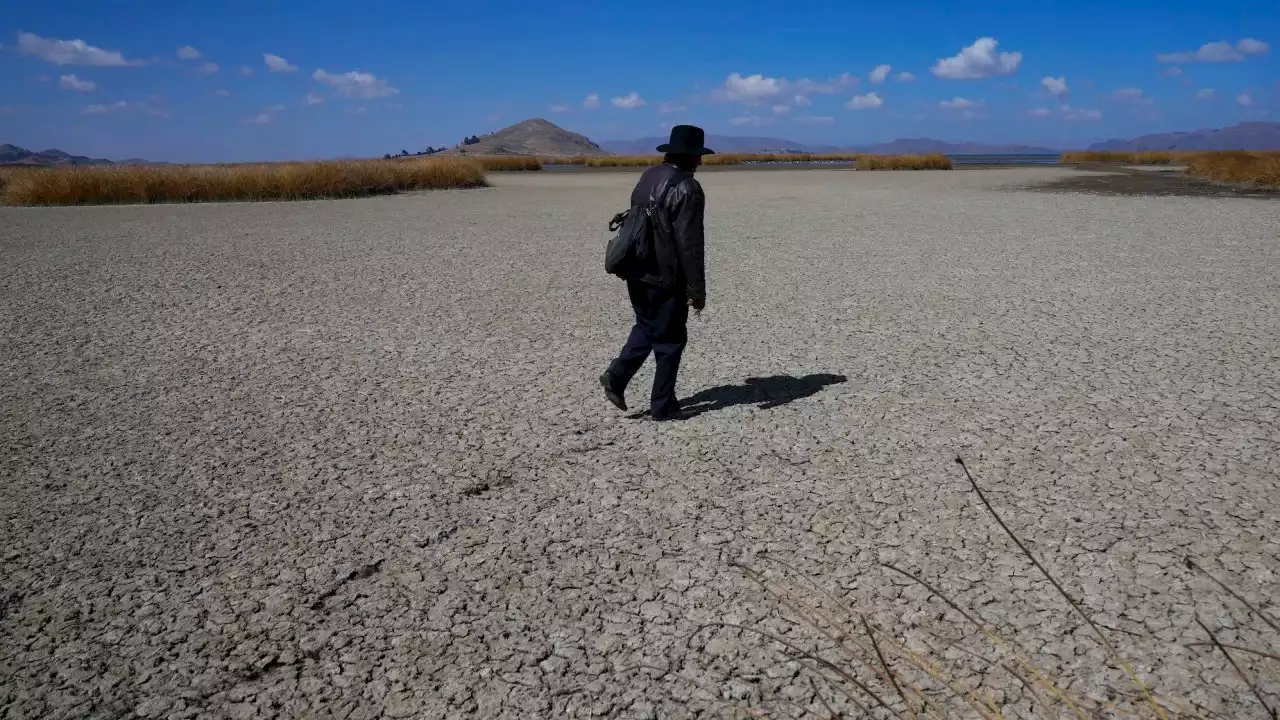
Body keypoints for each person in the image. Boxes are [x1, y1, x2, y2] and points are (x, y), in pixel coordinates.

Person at [599, 124, 711, 421]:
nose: (699, 162)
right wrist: (696, 290)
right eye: (698, 156)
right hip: (665, 276)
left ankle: (617, 376)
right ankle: (663, 406)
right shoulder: (687, 188)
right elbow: (689, 244)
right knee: (671, 340)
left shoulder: (649, 176)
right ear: (688, 156)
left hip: (636, 268)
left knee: (648, 325)